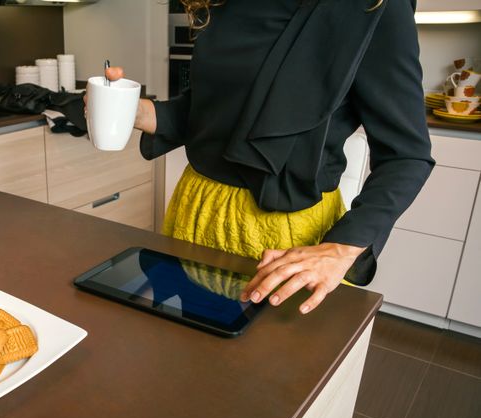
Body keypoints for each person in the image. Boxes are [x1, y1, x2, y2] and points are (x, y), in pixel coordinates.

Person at [103, 0, 434, 314]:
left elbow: (406, 156)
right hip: (197, 213)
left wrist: (343, 247)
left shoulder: (374, 7)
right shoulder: (224, 3)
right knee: (192, 355)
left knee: (273, 367)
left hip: (283, 243)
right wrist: (135, 112)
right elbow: (206, 110)